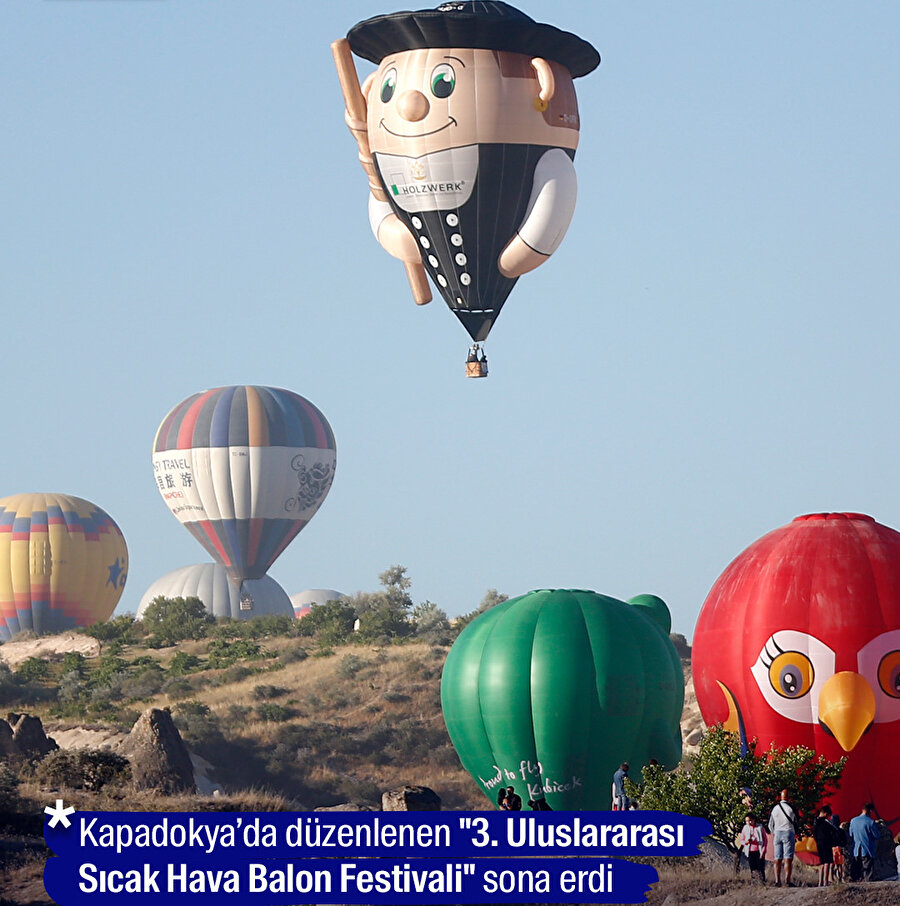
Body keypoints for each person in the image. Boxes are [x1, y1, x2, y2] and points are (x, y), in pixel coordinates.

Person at [767, 789, 798, 887]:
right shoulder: (791, 808)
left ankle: (777, 881)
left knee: (777, 859)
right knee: (788, 858)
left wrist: (774, 832)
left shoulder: (775, 808)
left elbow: (770, 824)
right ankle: (787, 880)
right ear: (788, 797)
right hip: (788, 832)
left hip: (777, 833)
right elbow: (796, 821)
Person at [848, 803, 880, 881]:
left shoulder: (853, 821)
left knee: (856, 870)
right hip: (867, 849)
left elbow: (850, 834)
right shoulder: (871, 822)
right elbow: (877, 836)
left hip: (856, 849)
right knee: (868, 871)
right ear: (870, 811)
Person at [813, 804, 840, 886]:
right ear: (825, 813)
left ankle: (820, 881)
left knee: (822, 863)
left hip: (819, 843)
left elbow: (814, 834)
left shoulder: (815, 822)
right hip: (826, 843)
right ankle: (825, 881)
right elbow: (833, 831)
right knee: (827, 862)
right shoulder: (826, 822)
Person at [738, 813, 767, 883]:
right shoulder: (745, 828)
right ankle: (754, 881)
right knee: (752, 867)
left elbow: (765, 839)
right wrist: (746, 842)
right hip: (750, 851)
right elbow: (741, 840)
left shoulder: (760, 827)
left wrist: (764, 849)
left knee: (760, 867)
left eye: (750, 820)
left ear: (754, 820)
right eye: (747, 821)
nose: (749, 823)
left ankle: (762, 881)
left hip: (759, 850)